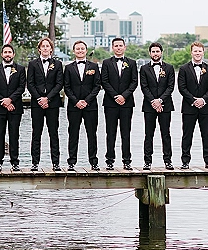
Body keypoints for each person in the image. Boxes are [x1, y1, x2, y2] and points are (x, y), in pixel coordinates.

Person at [100, 37, 138, 170]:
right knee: (110, 132)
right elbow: (104, 81)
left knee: (126, 132)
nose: (118, 48)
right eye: (116, 46)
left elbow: (134, 82)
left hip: (127, 103)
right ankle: (109, 160)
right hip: (110, 103)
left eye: (120, 45)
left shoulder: (132, 63)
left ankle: (127, 161)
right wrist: (116, 96)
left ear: (124, 47)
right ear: (112, 48)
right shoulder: (106, 63)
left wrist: (124, 96)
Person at [26, 37, 64, 171]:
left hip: (53, 103)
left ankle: (56, 163)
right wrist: (40, 99)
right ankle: (35, 163)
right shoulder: (32, 64)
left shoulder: (58, 64)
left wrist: (47, 98)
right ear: (39, 49)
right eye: (43, 46)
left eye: (48, 46)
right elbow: (30, 84)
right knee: (36, 133)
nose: (45, 48)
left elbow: (59, 83)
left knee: (53, 133)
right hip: (37, 104)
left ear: (51, 49)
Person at [177, 42, 208, 169]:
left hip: (206, 107)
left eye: (200, 51)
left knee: (206, 134)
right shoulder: (183, 69)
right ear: (191, 52)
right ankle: (185, 161)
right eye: (195, 51)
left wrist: (203, 100)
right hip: (189, 107)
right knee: (187, 135)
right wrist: (193, 100)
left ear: (203, 52)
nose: (197, 53)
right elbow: (182, 88)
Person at [64, 40, 101, 171]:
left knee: (92, 134)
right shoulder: (68, 68)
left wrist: (86, 100)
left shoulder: (94, 67)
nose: (80, 51)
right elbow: (67, 87)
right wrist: (76, 101)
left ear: (86, 50)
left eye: (82, 49)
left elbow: (97, 86)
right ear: (74, 51)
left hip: (90, 106)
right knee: (73, 134)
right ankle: (71, 162)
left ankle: (94, 161)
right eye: (77, 49)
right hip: (74, 107)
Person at [0, 43, 26, 172]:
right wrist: (3, 101)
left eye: (9, 52)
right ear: (1, 54)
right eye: (5, 52)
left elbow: (21, 87)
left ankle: (15, 162)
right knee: (0, 135)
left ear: (13, 54)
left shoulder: (20, 69)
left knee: (14, 135)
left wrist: (10, 100)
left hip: (15, 107)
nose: (7, 54)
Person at [140, 42, 175, 170]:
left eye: (157, 51)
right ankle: (147, 161)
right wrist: (153, 102)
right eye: (153, 51)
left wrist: (160, 100)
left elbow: (170, 87)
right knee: (149, 134)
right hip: (149, 106)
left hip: (165, 105)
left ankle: (168, 161)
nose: (155, 54)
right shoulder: (144, 69)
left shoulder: (169, 68)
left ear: (161, 52)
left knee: (166, 134)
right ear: (150, 53)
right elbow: (144, 87)